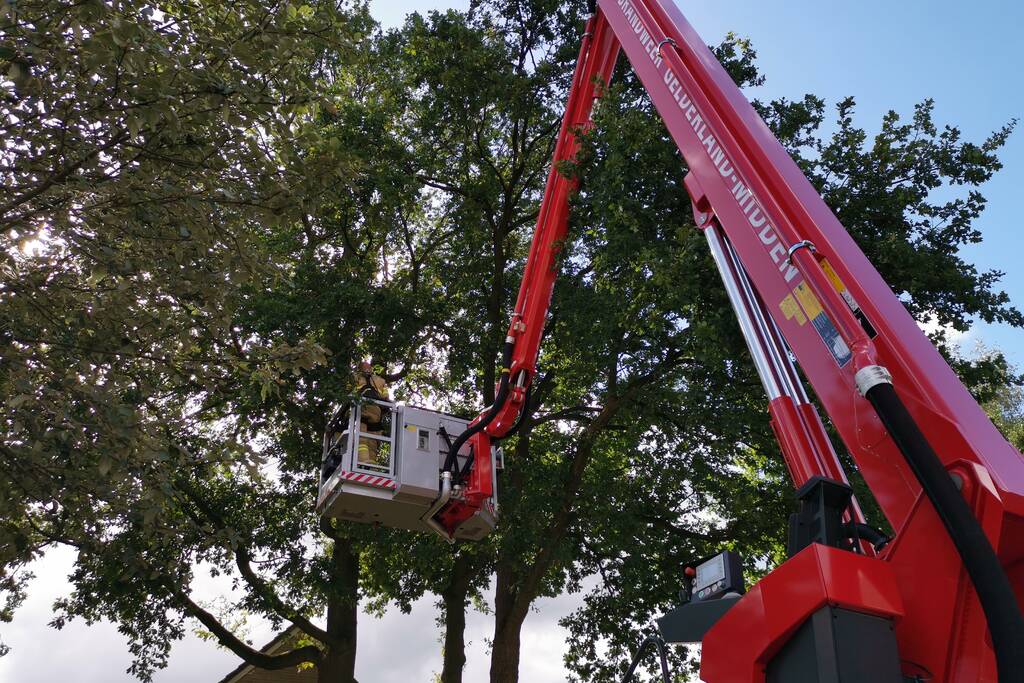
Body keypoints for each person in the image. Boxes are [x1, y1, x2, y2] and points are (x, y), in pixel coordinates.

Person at [353, 360, 390, 468]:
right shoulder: (381, 381)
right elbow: (386, 398)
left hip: (364, 409)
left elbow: (349, 395)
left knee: (364, 438)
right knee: (371, 438)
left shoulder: (355, 378)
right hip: (373, 412)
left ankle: (364, 461)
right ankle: (370, 464)